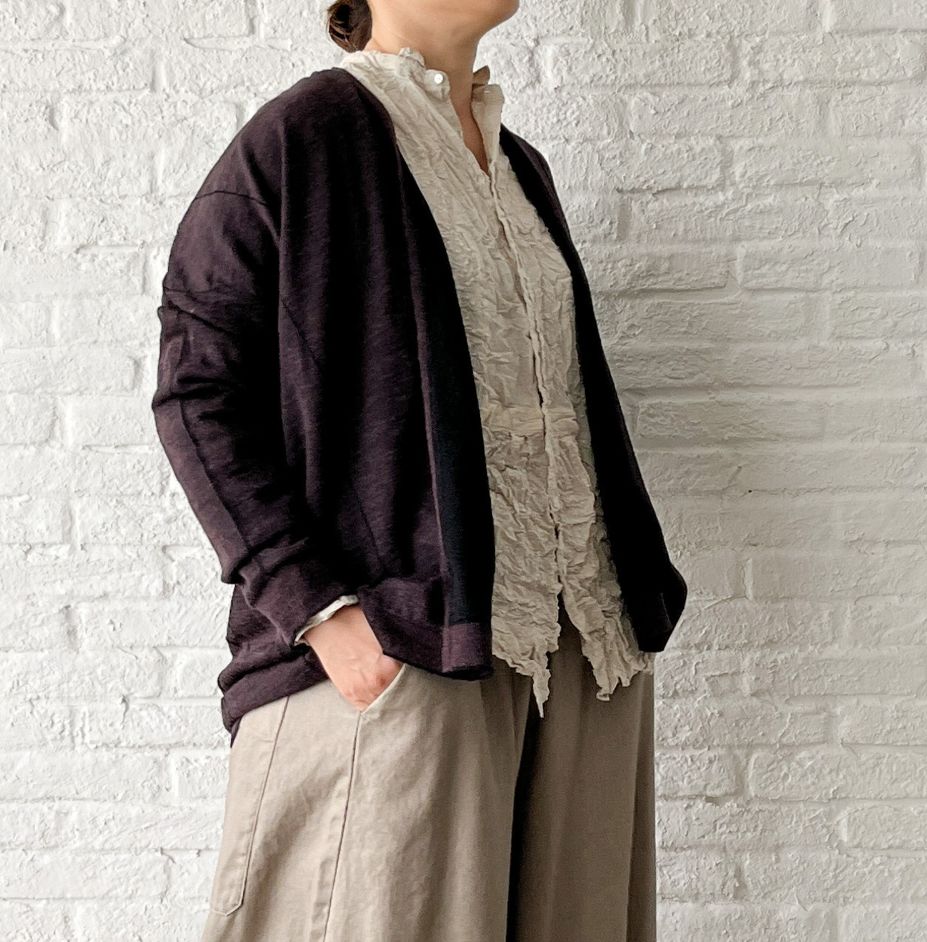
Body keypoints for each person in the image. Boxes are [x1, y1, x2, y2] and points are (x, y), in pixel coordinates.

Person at [151, 1, 688, 939]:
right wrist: (319, 611)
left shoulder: (520, 166)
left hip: (584, 652)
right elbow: (197, 390)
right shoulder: (306, 135)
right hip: (411, 654)